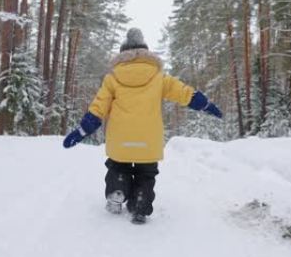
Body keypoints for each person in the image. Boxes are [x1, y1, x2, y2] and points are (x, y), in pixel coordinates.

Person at [63, 28, 223, 224]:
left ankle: (117, 191)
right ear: (145, 52)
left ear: (122, 53)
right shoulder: (159, 77)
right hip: (149, 141)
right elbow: (184, 93)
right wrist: (206, 105)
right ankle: (141, 202)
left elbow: (98, 108)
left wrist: (81, 131)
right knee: (146, 173)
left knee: (118, 166)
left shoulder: (112, 78)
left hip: (120, 140)